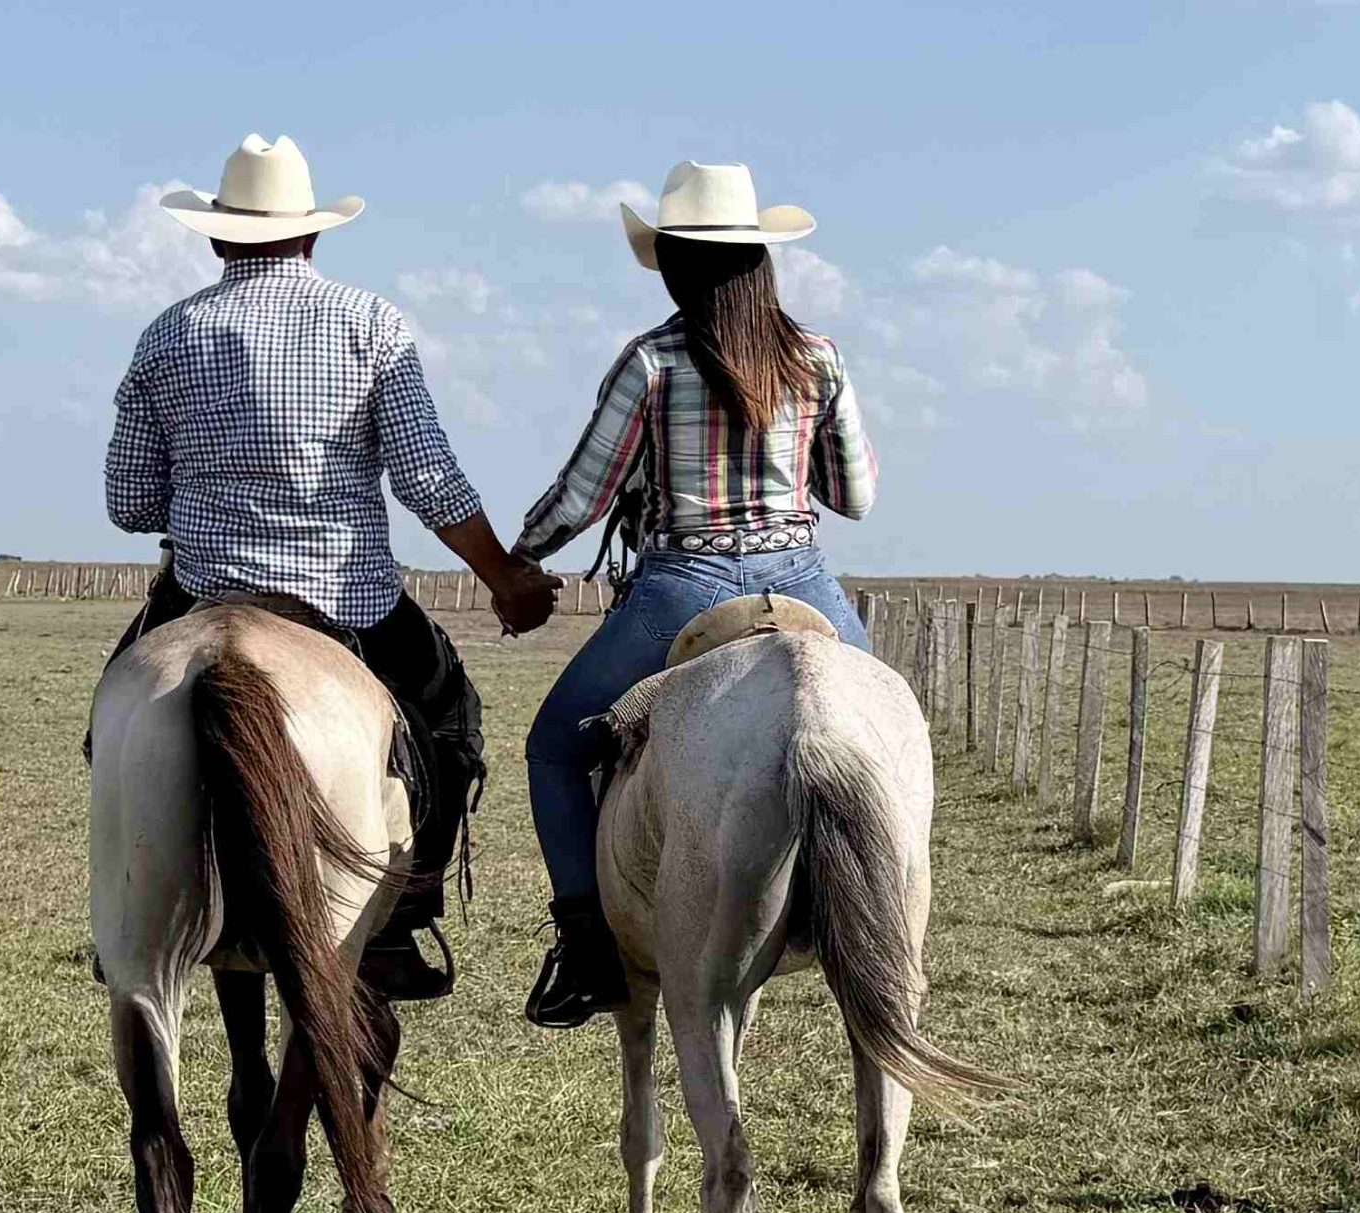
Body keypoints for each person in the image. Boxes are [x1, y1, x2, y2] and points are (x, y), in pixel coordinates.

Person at [103, 133, 560, 1000]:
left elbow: (128, 502)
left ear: (217, 236)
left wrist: (213, 500)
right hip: (344, 600)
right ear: (312, 233)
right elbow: (426, 477)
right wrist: (504, 577)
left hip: (203, 590)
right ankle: (400, 918)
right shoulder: (369, 323)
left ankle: (133, 914)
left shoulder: (166, 334)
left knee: (113, 725)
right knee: (448, 718)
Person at [514, 161, 880, 1027]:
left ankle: (584, 947)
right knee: (888, 734)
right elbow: (855, 497)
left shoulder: (650, 361)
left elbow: (581, 497)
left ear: (673, 266)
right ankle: (885, 919)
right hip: (803, 576)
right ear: (760, 260)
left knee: (555, 748)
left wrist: (521, 555)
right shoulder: (818, 359)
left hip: (685, 584)